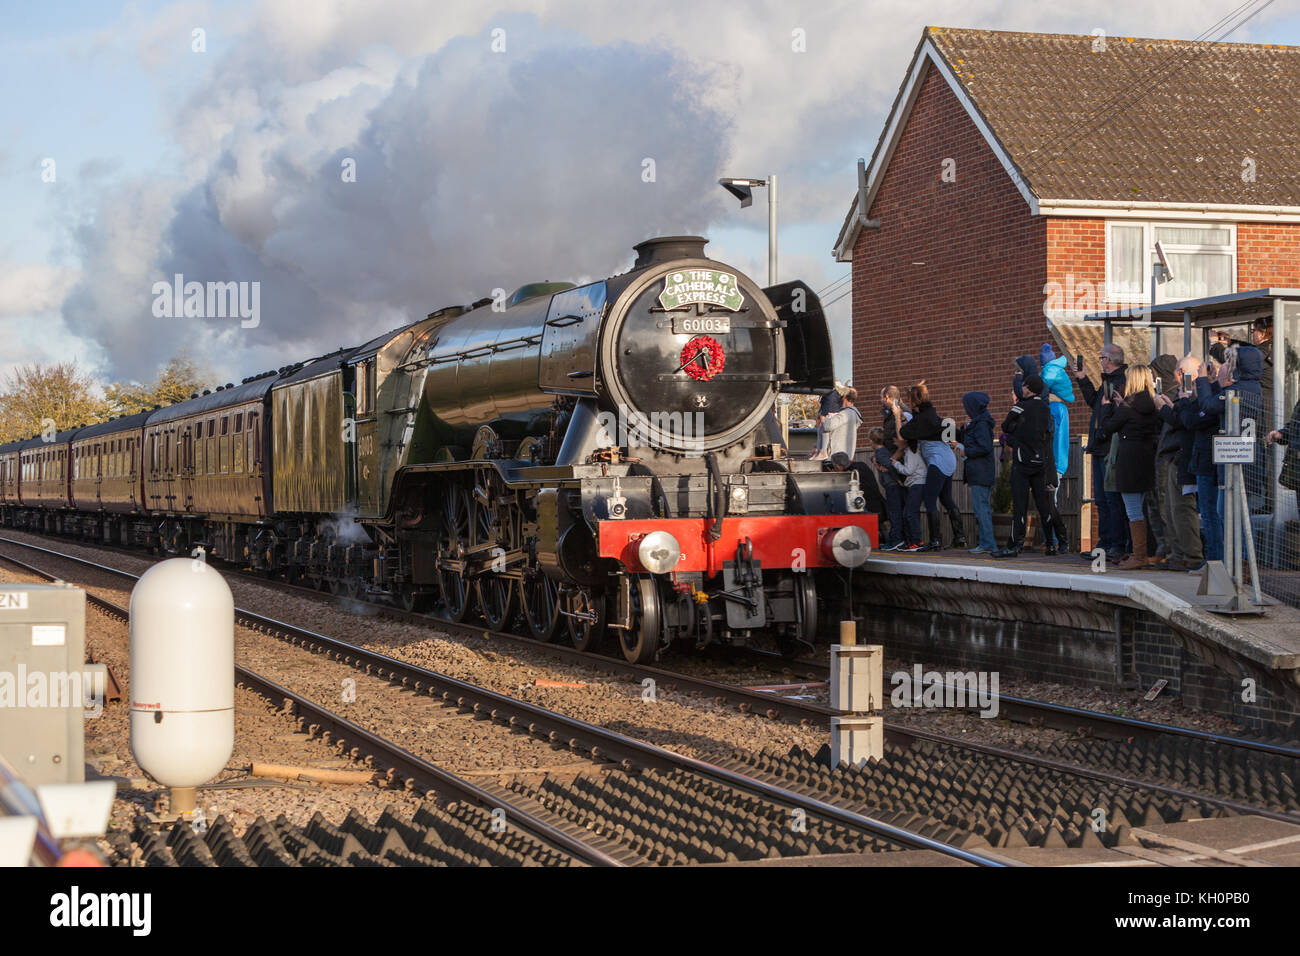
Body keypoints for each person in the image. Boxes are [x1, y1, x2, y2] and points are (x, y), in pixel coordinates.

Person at [994, 374, 1069, 558]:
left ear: (1030, 388)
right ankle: (1051, 544)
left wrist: (1017, 428)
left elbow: (1005, 426)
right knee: (1043, 505)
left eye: (1024, 386)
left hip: (1022, 461)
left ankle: (1014, 545)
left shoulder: (1021, 405)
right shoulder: (1045, 408)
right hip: (1040, 462)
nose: (1022, 389)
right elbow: (1047, 432)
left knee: (1020, 505)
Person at [1099, 365, 1161, 570]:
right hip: (1147, 459)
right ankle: (1152, 551)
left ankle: (1139, 555)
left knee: (1133, 510)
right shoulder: (1152, 403)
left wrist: (1107, 406)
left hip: (1129, 460)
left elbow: (1107, 428)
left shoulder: (1128, 406)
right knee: (1148, 508)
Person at [1070, 344, 1129, 562]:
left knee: (1112, 499)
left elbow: (1112, 414)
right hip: (1099, 446)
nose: (1100, 360)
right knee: (1102, 500)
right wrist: (1083, 378)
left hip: (1108, 448)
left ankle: (1116, 544)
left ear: (1110, 360)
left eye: (1102, 357)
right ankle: (1104, 543)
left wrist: (1102, 433)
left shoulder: (1121, 382)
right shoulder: (1108, 381)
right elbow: (1095, 402)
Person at [898, 381, 966, 551]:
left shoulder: (923, 420)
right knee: (946, 498)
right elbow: (949, 429)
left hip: (938, 461)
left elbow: (903, 433)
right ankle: (960, 537)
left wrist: (895, 414)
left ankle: (935, 540)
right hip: (948, 459)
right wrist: (904, 406)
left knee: (929, 499)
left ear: (914, 401)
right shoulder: (933, 416)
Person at [1154, 356, 1204, 571]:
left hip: (1184, 455)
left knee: (1182, 510)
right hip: (1176, 456)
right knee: (1172, 509)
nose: (1174, 375)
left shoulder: (1196, 394)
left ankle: (1190, 555)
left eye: (1178, 371)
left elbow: (1185, 421)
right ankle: (1178, 553)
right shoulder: (1185, 393)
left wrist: (1165, 409)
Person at [1187, 360, 1224, 565]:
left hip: (1209, 463)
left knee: (1211, 513)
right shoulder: (1208, 395)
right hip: (1203, 461)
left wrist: (1204, 380)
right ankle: (1214, 557)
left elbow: (1197, 418)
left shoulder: (1215, 398)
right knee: (1208, 512)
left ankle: (1215, 559)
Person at [1144, 354, 1180, 563]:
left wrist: (1161, 409)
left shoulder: (1173, 396)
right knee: (1154, 503)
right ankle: (1161, 547)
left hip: (1167, 457)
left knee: (1166, 503)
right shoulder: (1157, 395)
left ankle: (1170, 550)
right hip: (1156, 455)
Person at [956, 391, 997, 554]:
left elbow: (985, 446)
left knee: (982, 509)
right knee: (981, 508)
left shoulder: (981, 424)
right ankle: (986, 542)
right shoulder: (978, 422)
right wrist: (965, 429)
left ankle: (988, 543)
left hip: (981, 472)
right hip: (979, 471)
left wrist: (966, 451)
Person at [867, 426, 906, 551]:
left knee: (894, 513)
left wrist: (898, 480)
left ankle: (896, 540)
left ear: (871, 441)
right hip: (893, 485)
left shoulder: (880, 453)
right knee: (897, 512)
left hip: (892, 486)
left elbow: (890, 466)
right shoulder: (883, 452)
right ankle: (900, 538)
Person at [890, 438, 927, 552]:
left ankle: (916, 542)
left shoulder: (911, 452)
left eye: (896, 441)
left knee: (910, 513)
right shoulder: (911, 452)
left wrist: (896, 464)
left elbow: (908, 471)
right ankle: (912, 542)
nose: (895, 443)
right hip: (916, 484)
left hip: (917, 483)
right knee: (909, 513)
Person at [828, 450, 885, 518]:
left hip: (866, 509)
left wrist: (836, 474)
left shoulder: (850, 474)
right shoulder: (862, 465)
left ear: (838, 466)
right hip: (878, 505)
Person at [819, 388, 862, 461]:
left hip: (837, 458)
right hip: (844, 456)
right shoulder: (852, 414)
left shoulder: (846, 414)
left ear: (844, 396)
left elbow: (828, 426)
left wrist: (824, 417)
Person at [812, 381, 850, 457]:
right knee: (820, 431)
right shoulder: (830, 392)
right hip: (830, 412)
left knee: (824, 430)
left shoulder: (831, 393)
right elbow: (825, 404)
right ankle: (820, 450)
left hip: (831, 414)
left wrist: (823, 415)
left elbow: (829, 404)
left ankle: (823, 451)